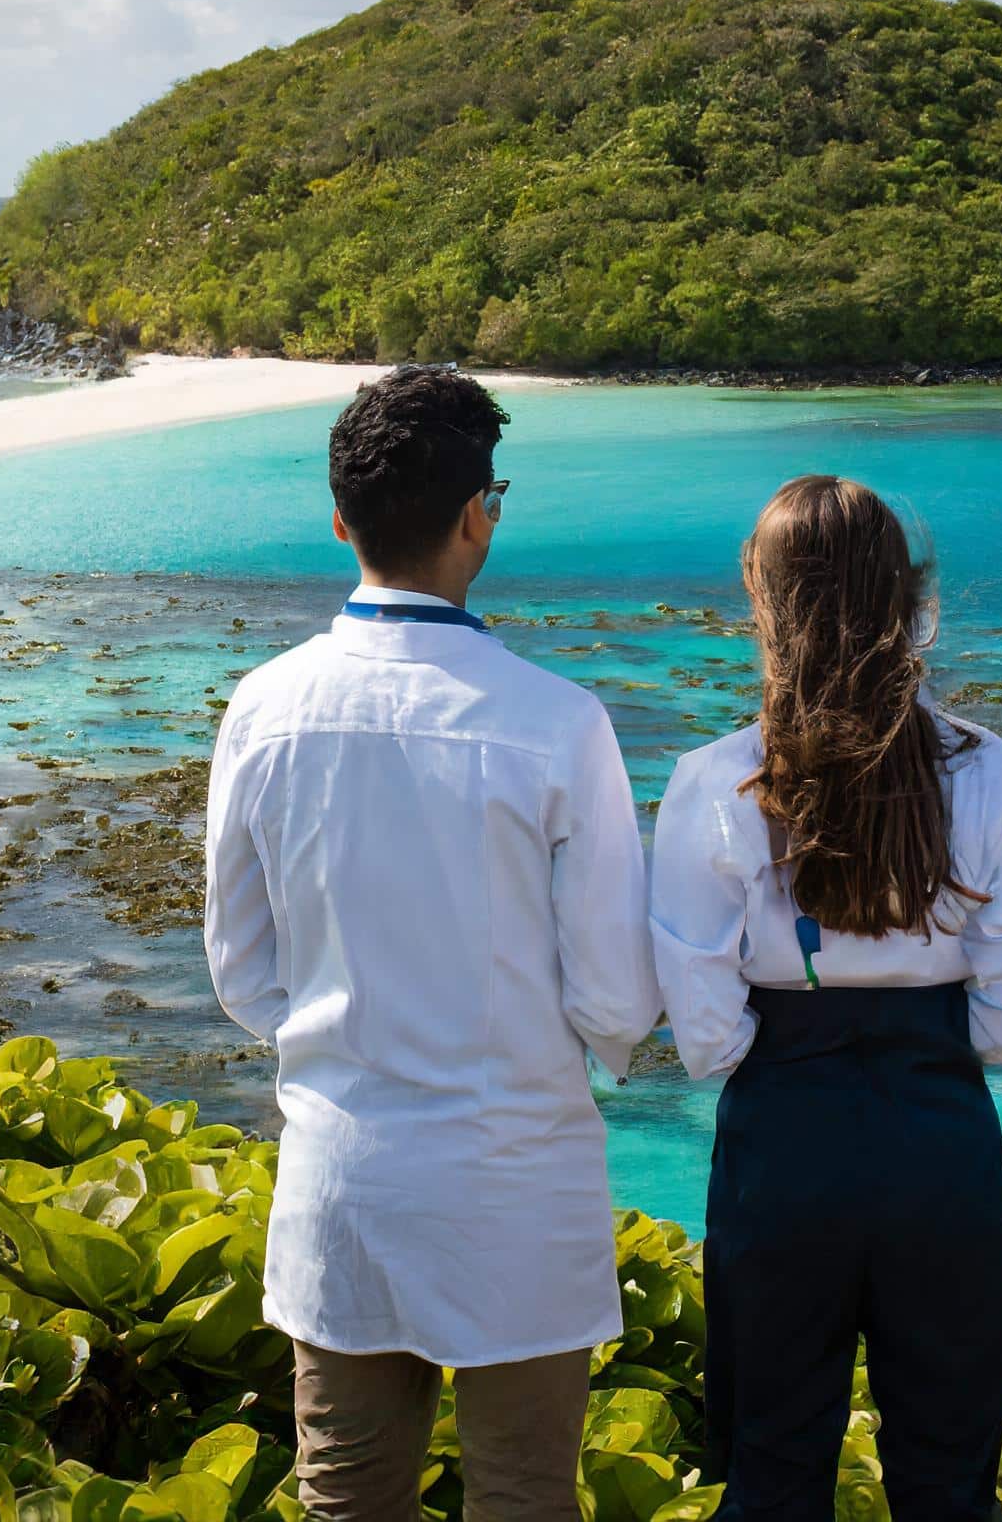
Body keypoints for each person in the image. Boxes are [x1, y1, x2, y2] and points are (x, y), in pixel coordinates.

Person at [204, 365, 661, 1522]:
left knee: (346, 1503)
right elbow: (613, 993)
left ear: (340, 517)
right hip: (517, 1176)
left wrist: (339, 1029)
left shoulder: (261, 706)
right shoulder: (557, 719)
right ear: (478, 518)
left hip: (342, 1175)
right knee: (522, 1500)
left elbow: (242, 969)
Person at [649, 474, 1002, 1522]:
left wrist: (782, 1046)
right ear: (904, 597)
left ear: (762, 600)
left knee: (773, 1462)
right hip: (938, 1127)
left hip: (782, 1124)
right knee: (945, 1469)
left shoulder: (713, 778)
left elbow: (700, 1019)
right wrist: (943, 1042)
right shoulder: (976, 763)